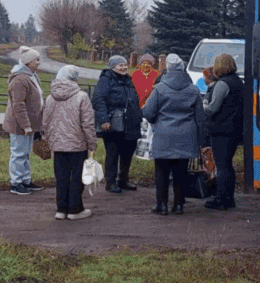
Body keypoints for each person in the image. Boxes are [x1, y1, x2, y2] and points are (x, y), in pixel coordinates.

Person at [141, 53, 205, 216]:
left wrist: (158, 120)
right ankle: (178, 205)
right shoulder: (193, 90)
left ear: (167, 69)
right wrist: (200, 139)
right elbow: (200, 117)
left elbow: (148, 112)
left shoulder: (159, 89)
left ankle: (161, 204)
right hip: (186, 135)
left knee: (161, 172)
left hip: (164, 134)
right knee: (181, 172)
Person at [42, 65, 97, 221]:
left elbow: (45, 122)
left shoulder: (50, 97)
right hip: (77, 143)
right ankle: (75, 209)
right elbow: (87, 123)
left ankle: (61, 209)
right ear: (75, 79)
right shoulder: (81, 96)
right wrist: (92, 142)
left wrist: (48, 139)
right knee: (76, 177)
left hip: (57, 143)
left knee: (61, 176)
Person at [92, 55, 142, 193]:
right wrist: (104, 120)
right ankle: (111, 182)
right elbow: (98, 99)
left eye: (125, 65)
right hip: (113, 123)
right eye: (120, 65)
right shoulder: (105, 80)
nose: (124, 67)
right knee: (113, 153)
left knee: (128, 153)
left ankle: (123, 180)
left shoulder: (128, 80)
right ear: (113, 67)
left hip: (130, 123)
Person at [202, 53, 244, 211]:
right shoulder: (238, 82)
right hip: (234, 129)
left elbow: (213, 108)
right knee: (228, 165)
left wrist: (202, 105)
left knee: (222, 166)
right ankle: (229, 197)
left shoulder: (222, 84)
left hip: (221, 130)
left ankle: (221, 199)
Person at [3, 46, 45, 195]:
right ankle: (16, 183)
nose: (39, 62)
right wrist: (26, 125)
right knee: (18, 154)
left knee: (25, 153)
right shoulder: (20, 79)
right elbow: (18, 105)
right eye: (37, 60)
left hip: (29, 124)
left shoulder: (31, 75)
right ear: (28, 62)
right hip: (20, 124)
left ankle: (26, 180)